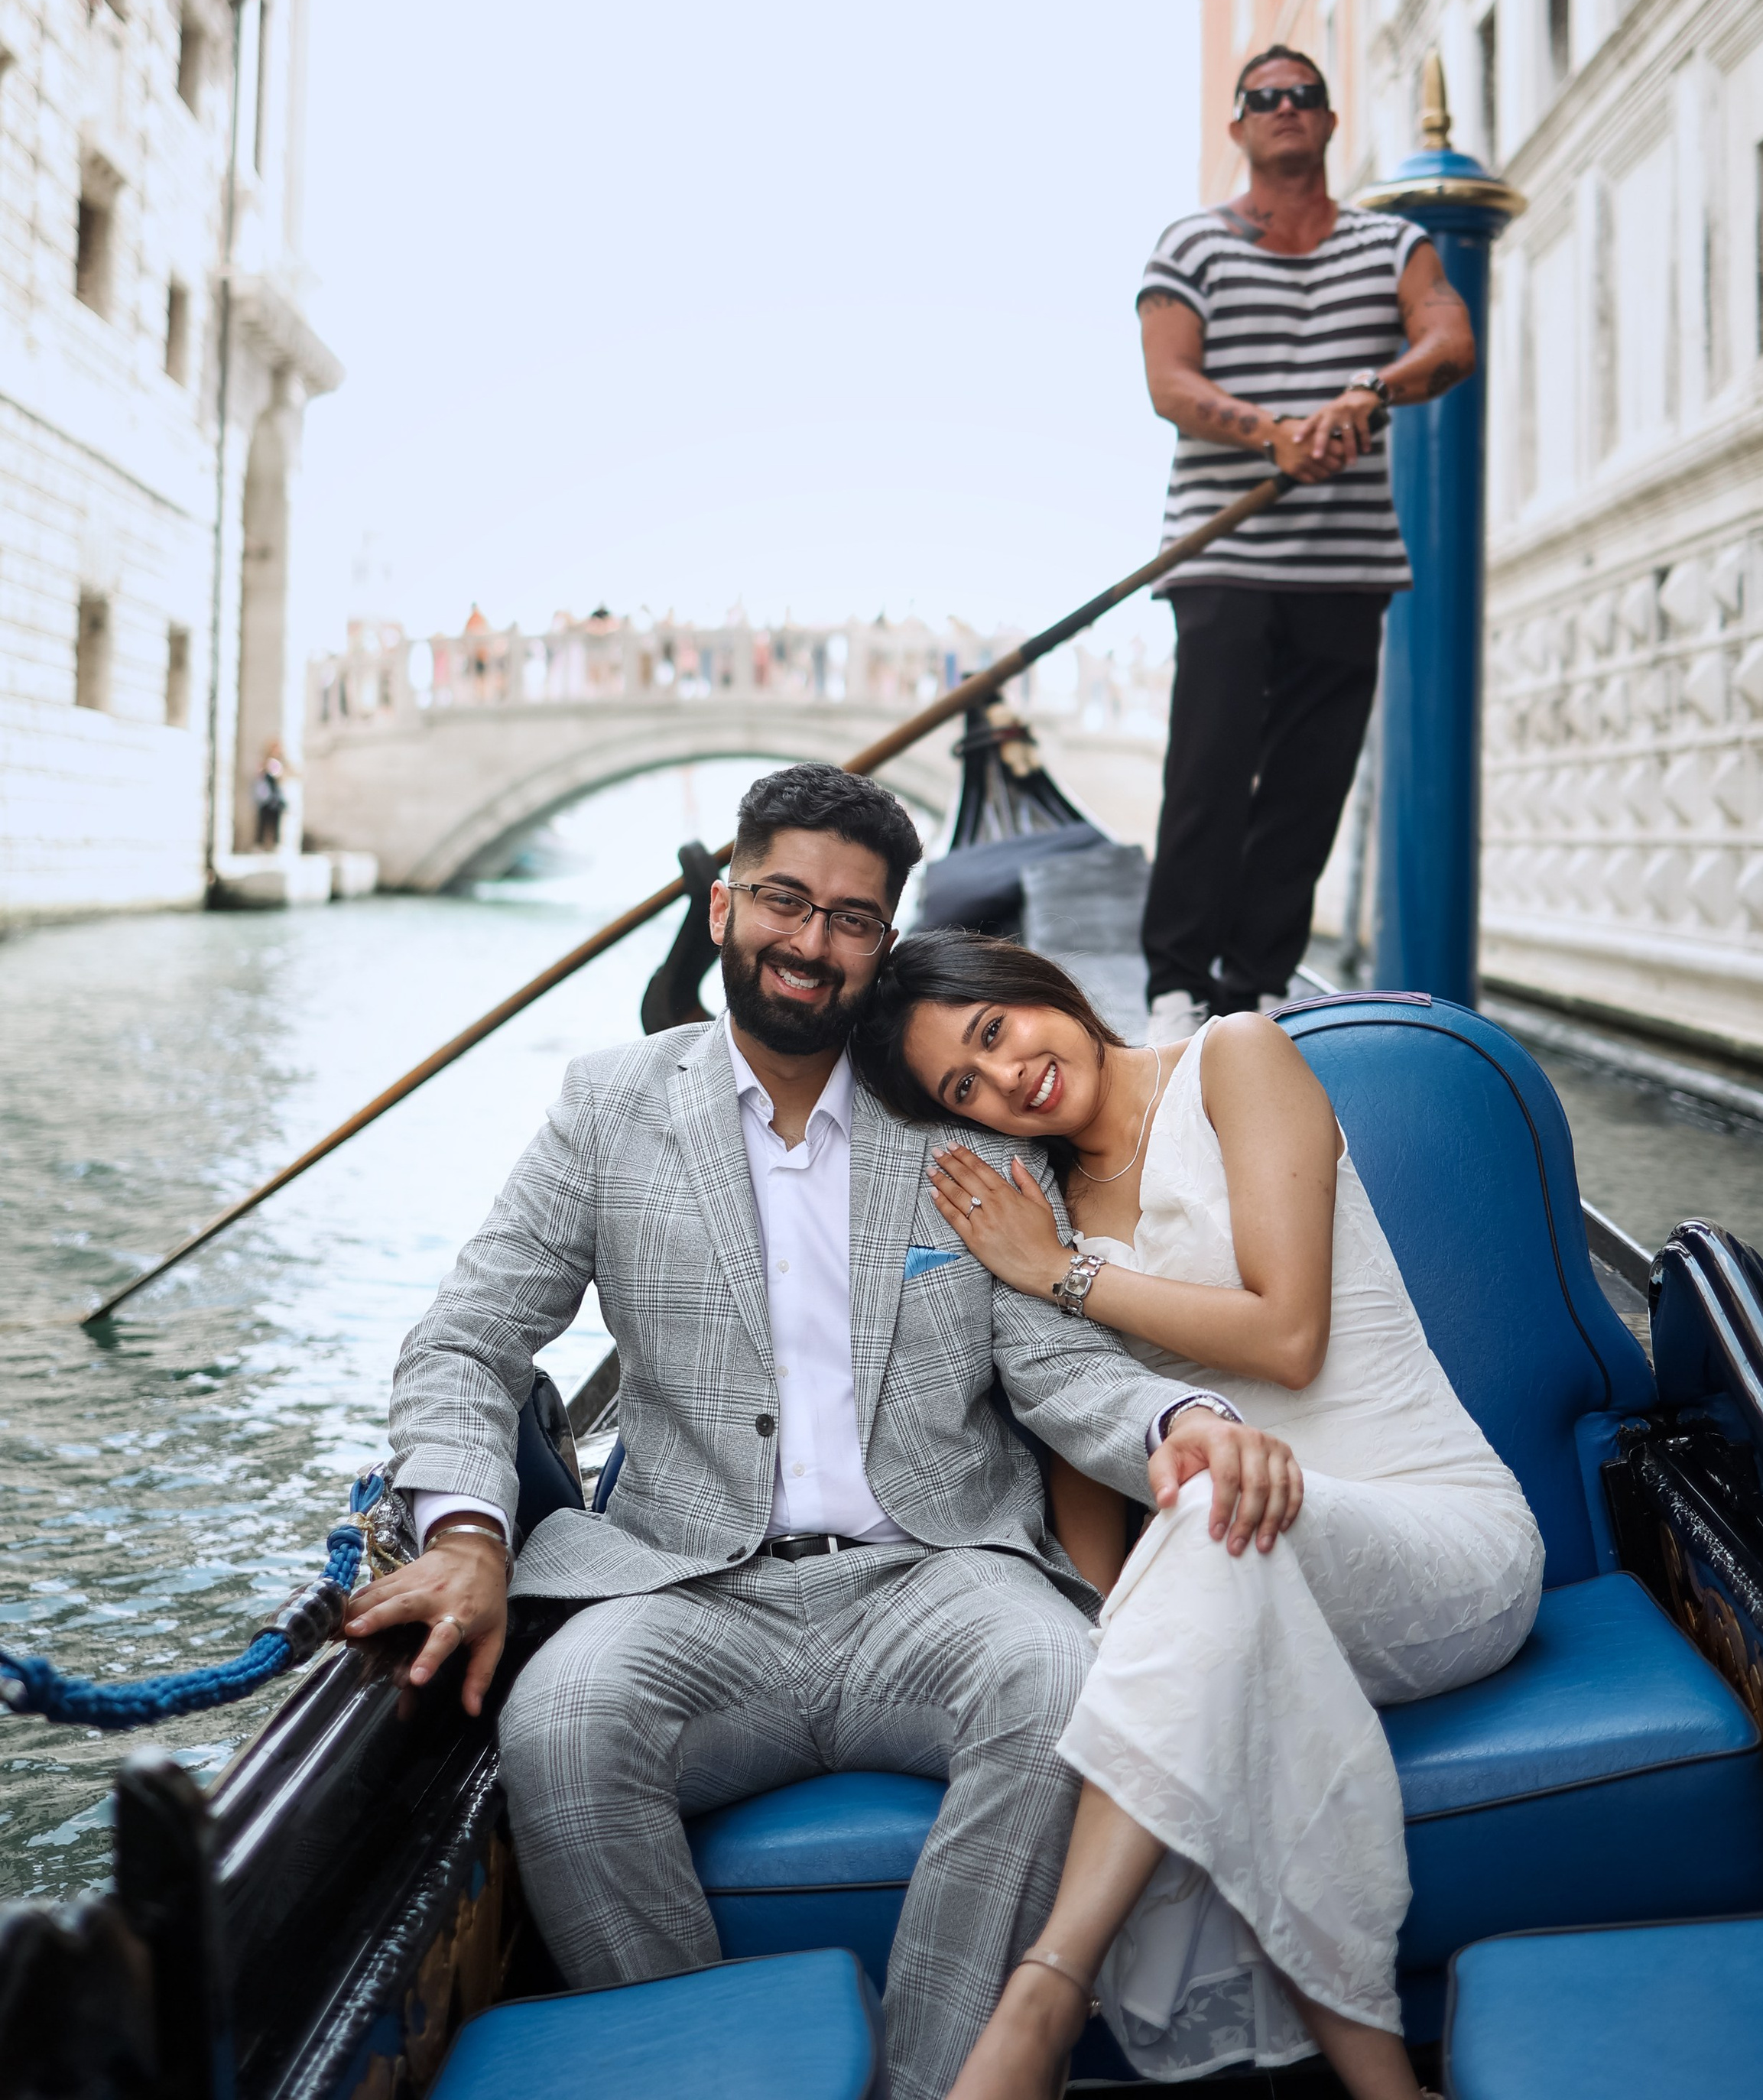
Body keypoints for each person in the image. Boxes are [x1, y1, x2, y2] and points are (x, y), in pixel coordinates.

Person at [346, 763, 1307, 2100]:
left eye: (854, 919)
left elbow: (1052, 1365)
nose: (812, 941)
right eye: (785, 902)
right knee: (560, 1724)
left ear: (886, 944)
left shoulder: (942, 1111)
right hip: (693, 1584)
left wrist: (1181, 1414)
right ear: (725, 905)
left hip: (937, 1573)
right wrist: (462, 1529)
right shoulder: (609, 1105)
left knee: (1063, 1681)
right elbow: (467, 1340)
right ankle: (705, 2077)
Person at [855, 930, 1543, 2100]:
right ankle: (1385, 2085)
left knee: (1215, 1503)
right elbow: (1094, 1446)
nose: (1008, 1074)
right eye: (963, 1088)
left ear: (1038, 989)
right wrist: (1107, 1640)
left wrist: (1056, 1276)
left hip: (1440, 1541)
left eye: (994, 1030)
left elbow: (1289, 1333)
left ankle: (1041, 1999)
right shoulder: (1046, 1209)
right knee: (1201, 1534)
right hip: (1242, 1550)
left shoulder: (1235, 1057)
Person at [1138, 47, 1476, 1040]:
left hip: (1349, 560)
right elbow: (1169, 383)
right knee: (1208, 769)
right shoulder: (1191, 246)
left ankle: (1255, 985)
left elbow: (1448, 339)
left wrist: (1368, 391)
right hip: (1223, 557)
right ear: (1240, 129)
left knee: (1307, 784)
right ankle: (1172, 984)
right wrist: (1270, 431)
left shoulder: (1393, 244)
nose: (1285, 110)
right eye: (1263, 100)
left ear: (1330, 124)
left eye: (1304, 97)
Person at [253, 745, 287, 851]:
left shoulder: (280, 764)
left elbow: (282, 778)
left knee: (275, 822)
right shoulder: (265, 764)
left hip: (275, 800)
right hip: (266, 799)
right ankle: (259, 844)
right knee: (263, 822)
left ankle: (275, 844)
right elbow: (259, 776)